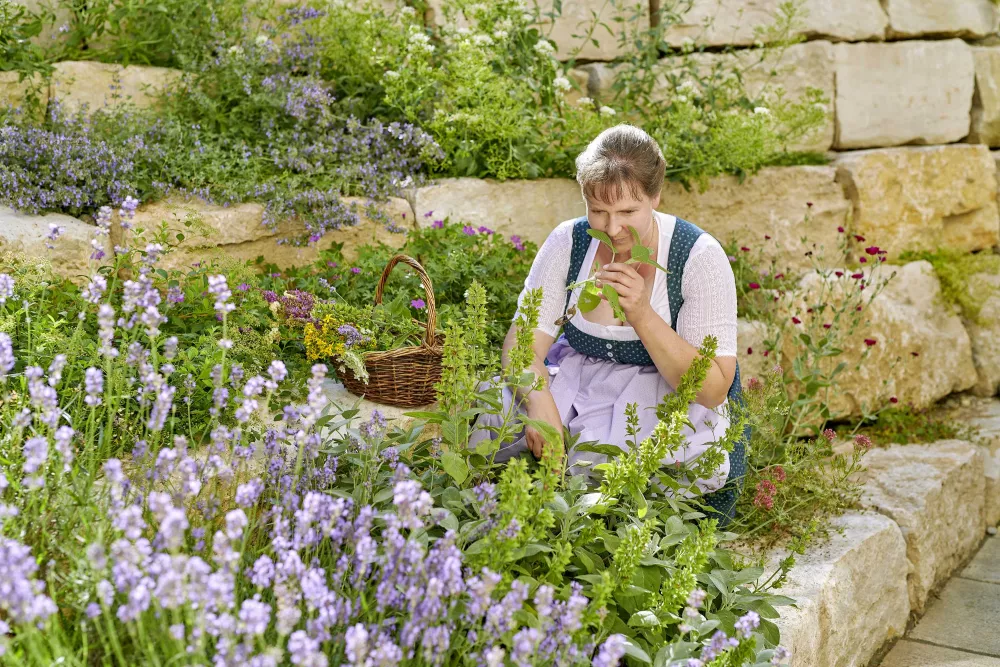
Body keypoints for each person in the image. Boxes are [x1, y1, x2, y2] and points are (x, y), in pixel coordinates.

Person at [469, 123, 747, 523]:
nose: (613, 229)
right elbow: (522, 345)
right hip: (580, 380)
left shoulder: (697, 256)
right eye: (598, 211)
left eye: (628, 212)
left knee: (605, 463)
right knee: (496, 413)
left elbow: (712, 388)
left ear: (656, 196)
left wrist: (641, 314)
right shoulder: (570, 241)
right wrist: (540, 404)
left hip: (663, 394)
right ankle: (503, 514)